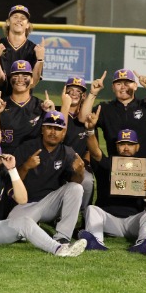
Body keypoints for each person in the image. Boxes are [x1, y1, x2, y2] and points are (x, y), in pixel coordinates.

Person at [0, 140, 87, 259]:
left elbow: (22, 199)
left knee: (24, 221)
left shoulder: (3, 175)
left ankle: (59, 249)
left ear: (0, 160)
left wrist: (12, 170)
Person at [79, 69, 146, 208]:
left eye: (127, 83)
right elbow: (82, 118)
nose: (123, 87)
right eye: (118, 83)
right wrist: (93, 93)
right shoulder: (105, 109)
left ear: (135, 86)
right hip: (118, 163)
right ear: (113, 87)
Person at [78, 126, 146, 254]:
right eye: (122, 144)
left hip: (133, 222)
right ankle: (96, 241)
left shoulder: (144, 168)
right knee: (92, 209)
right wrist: (90, 131)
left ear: (137, 147)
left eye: (130, 144)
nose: (126, 148)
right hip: (109, 220)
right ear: (117, 146)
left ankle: (144, 242)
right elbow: (95, 152)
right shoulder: (108, 164)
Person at [9, 110, 85, 244]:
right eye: (49, 127)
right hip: (26, 204)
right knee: (14, 230)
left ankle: (62, 236)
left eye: (58, 129)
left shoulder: (67, 152)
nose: (53, 132)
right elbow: (12, 181)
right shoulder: (27, 147)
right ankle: (33, 224)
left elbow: (75, 182)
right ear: (42, 129)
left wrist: (79, 172)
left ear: (63, 133)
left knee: (76, 188)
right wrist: (25, 167)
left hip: (51, 203)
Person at [0, 60, 55, 155]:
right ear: (10, 79)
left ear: (32, 80)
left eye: (25, 76)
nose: (20, 79)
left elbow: (54, 139)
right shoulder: (0, 105)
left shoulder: (41, 106)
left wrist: (51, 114)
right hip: (5, 158)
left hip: (33, 159)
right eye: (16, 76)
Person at [0, 5, 45, 101]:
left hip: (24, 102)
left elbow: (32, 83)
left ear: (27, 25)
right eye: (15, 17)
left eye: (23, 18)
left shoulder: (34, 50)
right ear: (8, 22)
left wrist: (40, 60)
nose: (19, 20)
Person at [59, 77, 94, 213]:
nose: (74, 93)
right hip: (57, 161)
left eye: (78, 91)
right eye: (70, 90)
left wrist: (85, 163)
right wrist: (65, 106)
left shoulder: (87, 118)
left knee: (88, 180)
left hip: (79, 163)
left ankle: (85, 214)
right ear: (64, 92)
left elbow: (90, 148)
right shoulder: (56, 112)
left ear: (83, 95)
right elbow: (59, 136)